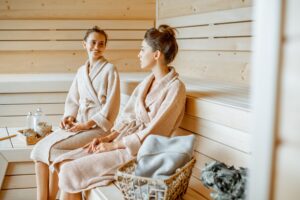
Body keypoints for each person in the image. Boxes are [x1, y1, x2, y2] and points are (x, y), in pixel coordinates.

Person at [50, 24, 186, 200]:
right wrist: (106, 138)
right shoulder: (146, 82)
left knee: (70, 170)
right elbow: (127, 117)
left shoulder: (175, 88)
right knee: (64, 161)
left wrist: (114, 145)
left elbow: (155, 132)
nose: (139, 54)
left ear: (156, 54)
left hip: (141, 152)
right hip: (122, 140)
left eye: (142, 49)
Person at [30, 26, 120, 200]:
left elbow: (112, 106)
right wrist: (69, 117)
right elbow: (73, 99)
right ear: (84, 44)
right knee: (39, 149)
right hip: (79, 125)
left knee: (55, 149)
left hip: (98, 128)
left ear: (105, 47)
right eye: (93, 43)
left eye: (101, 44)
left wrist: (87, 124)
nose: (96, 47)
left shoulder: (110, 70)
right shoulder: (81, 72)